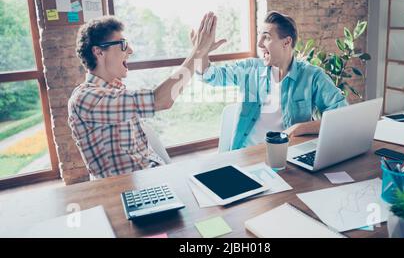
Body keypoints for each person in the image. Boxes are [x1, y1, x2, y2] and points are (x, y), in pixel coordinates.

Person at [68, 12, 223, 178]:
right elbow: (161, 100)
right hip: (127, 191)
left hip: (153, 177)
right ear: (98, 52)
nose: (130, 50)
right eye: (122, 44)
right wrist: (198, 52)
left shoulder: (116, 90)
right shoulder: (85, 99)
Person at [196, 11, 348, 151]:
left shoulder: (312, 76)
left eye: (266, 37)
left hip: (287, 156)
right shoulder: (250, 69)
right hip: (247, 155)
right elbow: (209, 75)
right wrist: (201, 51)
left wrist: (300, 128)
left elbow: (341, 116)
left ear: (286, 42)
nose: (259, 44)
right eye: (259, 36)